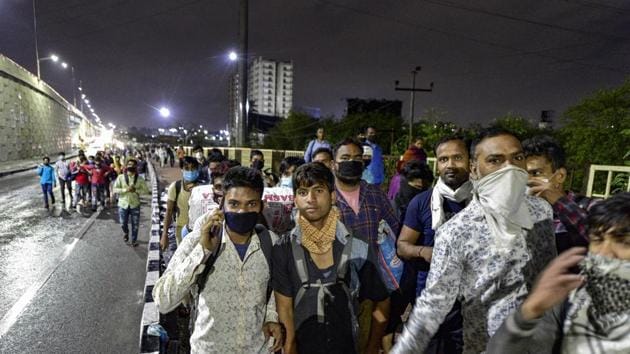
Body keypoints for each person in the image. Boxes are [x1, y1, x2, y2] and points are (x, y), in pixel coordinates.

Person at [392, 128, 557, 353]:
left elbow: (548, 277)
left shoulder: (541, 212)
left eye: (517, 158)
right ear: (475, 170)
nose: (509, 168)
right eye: (495, 160)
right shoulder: (456, 232)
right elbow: (434, 304)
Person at [152, 166, 284, 353]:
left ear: (261, 206)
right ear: (222, 204)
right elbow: (163, 300)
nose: (241, 212)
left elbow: (272, 290)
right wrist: (203, 251)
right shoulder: (197, 240)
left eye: (251, 204)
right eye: (234, 204)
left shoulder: (270, 242)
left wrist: (271, 317)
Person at [487, 192, 630, 354]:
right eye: (597, 240)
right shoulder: (570, 302)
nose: (604, 253)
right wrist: (529, 312)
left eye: (624, 243)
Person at [273, 162, 389, 354]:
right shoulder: (283, 247)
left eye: (318, 190)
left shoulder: (357, 245)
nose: (310, 199)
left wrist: (371, 348)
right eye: (303, 192)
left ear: (333, 196)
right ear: (295, 199)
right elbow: (284, 309)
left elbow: (382, 301)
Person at [393, 136, 472, 353]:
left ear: (470, 161)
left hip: (471, 304)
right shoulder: (421, 202)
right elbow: (402, 246)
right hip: (430, 299)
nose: (450, 165)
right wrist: (424, 251)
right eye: (444, 159)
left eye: (457, 158)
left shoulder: (483, 201)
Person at [333, 138, 400, 354]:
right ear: (334, 164)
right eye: (345, 158)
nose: (351, 162)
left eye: (357, 158)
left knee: (366, 342)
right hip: (334, 288)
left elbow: (395, 229)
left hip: (371, 287)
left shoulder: (375, 194)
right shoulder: (325, 197)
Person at [522, 135, 599, 253]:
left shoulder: (590, 207)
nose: (528, 181)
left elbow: (607, 241)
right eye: (522, 175)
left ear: (560, 176)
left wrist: (559, 202)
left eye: (536, 173)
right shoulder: (519, 213)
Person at [160, 157, 202, 249]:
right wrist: (164, 234)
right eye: (187, 169)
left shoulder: (203, 188)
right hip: (181, 229)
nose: (190, 171)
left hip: (200, 231)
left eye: (193, 168)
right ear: (182, 170)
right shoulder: (175, 187)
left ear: (197, 169)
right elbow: (169, 211)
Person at [113, 158, 150, 246]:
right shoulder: (121, 177)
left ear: (136, 167)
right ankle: (126, 232)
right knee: (123, 223)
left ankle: (134, 240)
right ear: (126, 166)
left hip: (135, 204)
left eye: (133, 165)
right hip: (123, 204)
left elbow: (146, 191)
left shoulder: (140, 179)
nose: (131, 166)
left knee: (135, 224)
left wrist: (136, 190)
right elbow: (114, 189)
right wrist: (125, 189)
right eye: (129, 164)